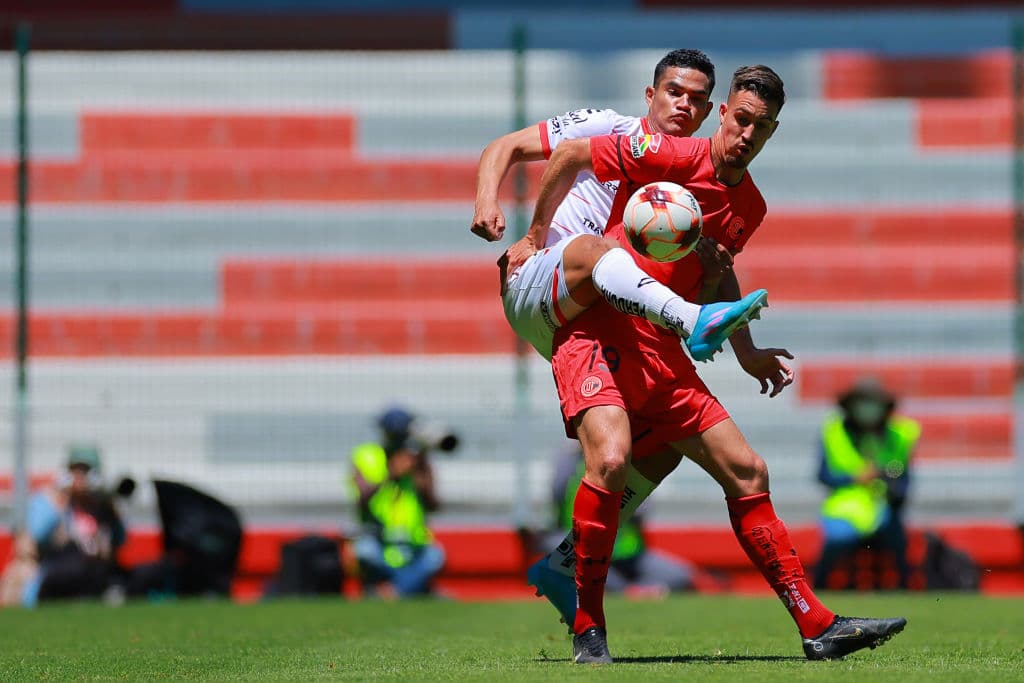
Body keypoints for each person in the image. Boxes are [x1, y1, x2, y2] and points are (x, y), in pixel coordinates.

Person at [510, 64, 907, 663]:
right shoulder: (665, 153)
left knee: (748, 470)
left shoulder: (750, 205)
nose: (748, 133)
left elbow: (716, 269)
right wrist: (537, 237)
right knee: (613, 458)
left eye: (763, 127)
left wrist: (746, 352)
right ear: (723, 113)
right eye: (741, 119)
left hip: (664, 351)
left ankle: (816, 625)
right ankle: (588, 628)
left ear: (773, 132)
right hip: (599, 328)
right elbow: (568, 157)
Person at [472, 48, 769, 366]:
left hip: (593, 318)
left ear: (709, 111)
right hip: (541, 282)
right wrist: (491, 205)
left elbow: (717, 269)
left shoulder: (698, 185)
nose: (684, 104)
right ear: (650, 95)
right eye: (673, 92)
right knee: (602, 249)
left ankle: (687, 323)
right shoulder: (607, 128)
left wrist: (747, 352)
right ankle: (689, 319)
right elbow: (506, 146)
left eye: (696, 99)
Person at [548, 443, 696, 596]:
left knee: (679, 575)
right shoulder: (570, 462)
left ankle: (628, 590)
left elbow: (641, 510)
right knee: (562, 555)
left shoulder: (631, 462)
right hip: (585, 553)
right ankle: (627, 591)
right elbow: (556, 500)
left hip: (629, 557)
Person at [813, 378, 919, 590]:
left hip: (883, 509)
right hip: (844, 511)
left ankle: (905, 592)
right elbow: (823, 475)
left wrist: (886, 478)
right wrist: (854, 478)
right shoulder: (834, 431)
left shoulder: (899, 435)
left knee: (899, 547)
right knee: (835, 543)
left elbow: (901, 475)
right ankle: (818, 589)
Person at [0, 444, 127, 607]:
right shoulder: (50, 500)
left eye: (85, 471)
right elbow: (36, 535)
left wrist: (112, 510)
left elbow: (120, 541)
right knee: (76, 561)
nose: (80, 476)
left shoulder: (101, 506)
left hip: (95, 571)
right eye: (75, 470)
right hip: (57, 569)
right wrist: (58, 503)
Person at [349, 406, 449, 597]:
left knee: (435, 556)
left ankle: (393, 591)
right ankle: (412, 589)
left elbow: (434, 504)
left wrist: (419, 468)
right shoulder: (367, 456)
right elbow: (361, 499)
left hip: (413, 545)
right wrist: (391, 474)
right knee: (364, 551)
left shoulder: (418, 460)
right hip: (380, 541)